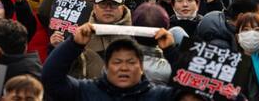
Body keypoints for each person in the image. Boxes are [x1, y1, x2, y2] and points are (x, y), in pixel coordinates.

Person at [42, 27, 175, 100]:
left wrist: (171, 51)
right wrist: (73, 44)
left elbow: (191, 90)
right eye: (117, 62)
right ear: (106, 67)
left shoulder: (159, 96)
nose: (124, 68)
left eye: (130, 62)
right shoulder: (86, 91)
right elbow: (51, 78)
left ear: (141, 67)